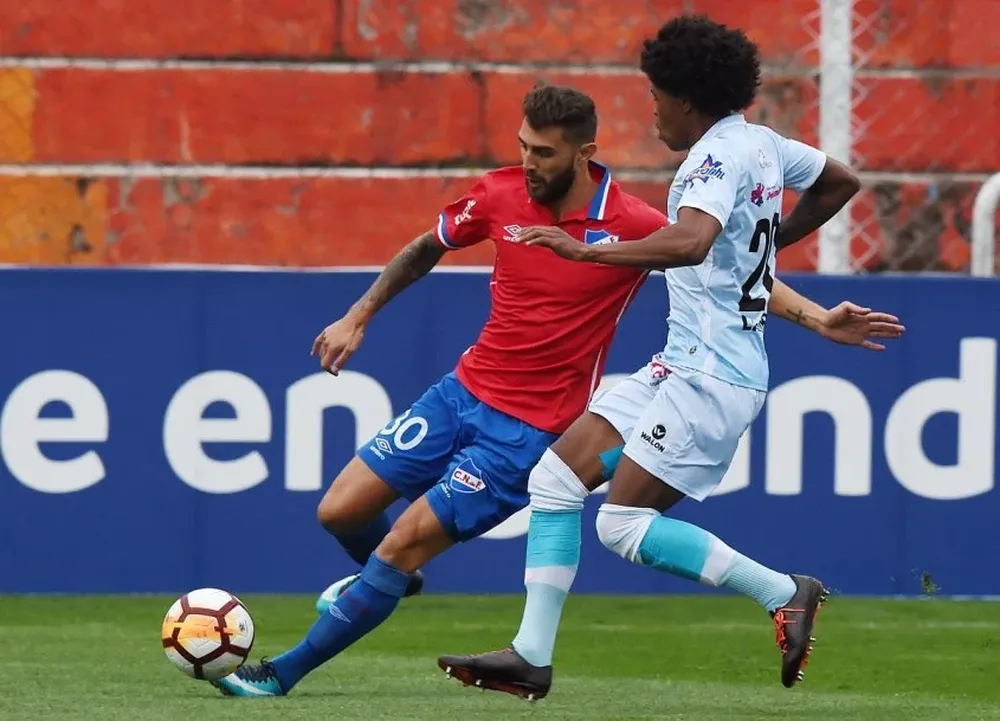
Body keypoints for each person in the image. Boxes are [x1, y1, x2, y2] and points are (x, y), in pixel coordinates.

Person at [436, 15, 904, 699]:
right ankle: (530, 654)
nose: (651, 111)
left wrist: (587, 250)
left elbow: (688, 243)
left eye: (656, 97)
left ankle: (783, 591)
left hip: (713, 378)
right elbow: (839, 180)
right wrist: (767, 255)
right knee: (555, 481)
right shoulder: (765, 145)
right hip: (679, 365)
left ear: (685, 98)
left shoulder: (713, 159)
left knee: (622, 526)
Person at [210, 83, 669, 697]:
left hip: (527, 434)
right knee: (340, 512)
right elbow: (429, 246)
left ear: (585, 152)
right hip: (459, 394)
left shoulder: (635, 225)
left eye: (546, 154)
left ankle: (280, 673)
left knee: (401, 544)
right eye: (524, 147)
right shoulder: (500, 192)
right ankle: (392, 579)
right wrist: (359, 314)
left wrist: (813, 318)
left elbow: (720, 267)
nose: (530, 164)